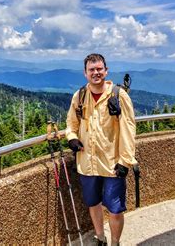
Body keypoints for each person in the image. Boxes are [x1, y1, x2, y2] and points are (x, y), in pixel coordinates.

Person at [66, 53, 137, 246]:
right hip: (87, 162)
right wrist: (71, 138)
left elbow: (129, 129)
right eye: (92, 70)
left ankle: (115, 242)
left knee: (115, 209)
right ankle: (100, 238)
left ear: (106, 71)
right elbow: (71, 124)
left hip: (113, 163)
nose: (96, 73)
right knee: (93, 203)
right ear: (85, 73)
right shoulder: (79, 96)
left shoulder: (118, 95)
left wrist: (125, 161)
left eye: (99, 69)